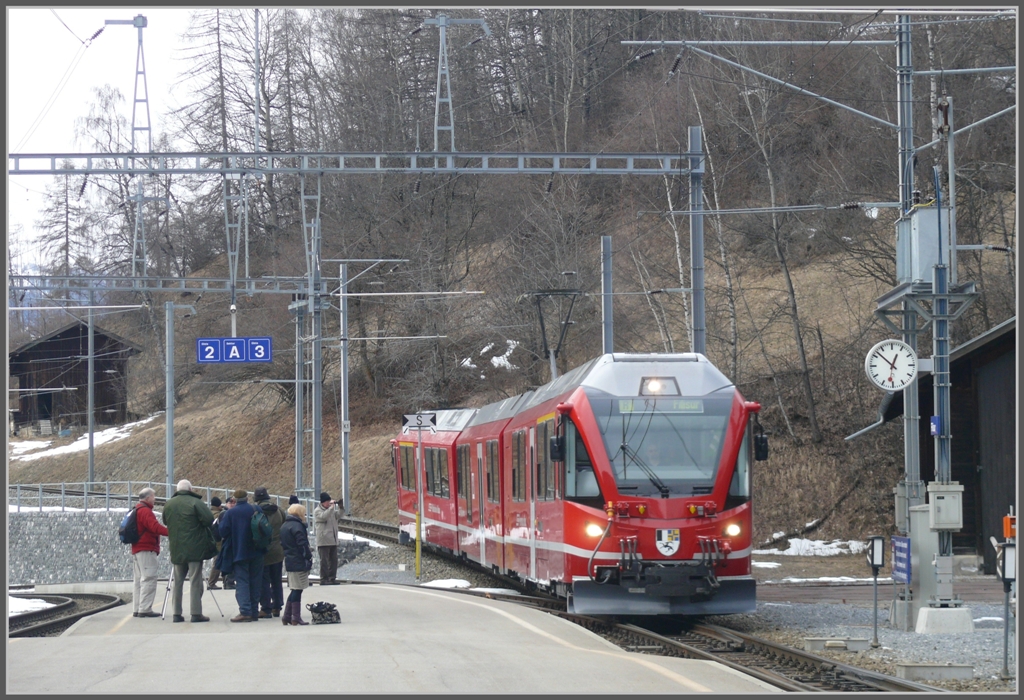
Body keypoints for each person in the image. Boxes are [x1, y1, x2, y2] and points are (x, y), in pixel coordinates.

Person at [162, 479, 216, 623]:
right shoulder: (196, 502)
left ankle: (176, 613)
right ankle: (196, 613)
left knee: (177, 582)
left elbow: (165, 521)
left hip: (177, 547)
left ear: (177, 490)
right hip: (194, 548)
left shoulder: (169, 504)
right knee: (195, 580)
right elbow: (209, 519)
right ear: (190, 489)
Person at [218, 489, 264, 622]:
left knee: (242, 581)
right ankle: (254, 611)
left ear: (234, 500)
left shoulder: (231, 513)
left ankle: (245, 611)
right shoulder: (256, 509)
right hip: (258, 551)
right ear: (247, 498)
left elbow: (223, 531)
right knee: (256, 581)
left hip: (240, 552)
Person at [131, 487, 168, 618]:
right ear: (147, 498)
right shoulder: (145, 511)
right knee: (149, 578)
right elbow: (154, 527)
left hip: (137, 549)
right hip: (146, 549)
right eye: (153, 496)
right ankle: (145, 609)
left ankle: (137, 608)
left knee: (138, 580)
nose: (155, 499)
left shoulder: (136, 509)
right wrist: (171, 532)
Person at [279, 503, 313, 626]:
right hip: (298, 561)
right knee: (298, 589)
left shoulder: (285, 525)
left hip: (289, 559)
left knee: (294, 589)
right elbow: (302, 545)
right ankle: (295, 617)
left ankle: (287, 616)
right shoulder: (298, 526)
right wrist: (308, 556)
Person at [254, 487, 286, 618]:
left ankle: (266, 608)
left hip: (263, 550)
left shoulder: (256, 511)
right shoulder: (279, 510)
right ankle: (277, 607)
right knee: (276, 580)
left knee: (264, 581)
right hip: (278, 550)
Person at [314, 492, 341, 585]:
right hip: (323, 540)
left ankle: (332, 578)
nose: (329, 503)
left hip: (333, 539)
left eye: (330, 501)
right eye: (327, 501)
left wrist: (341, 507)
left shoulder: (331, 510)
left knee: (333, 560)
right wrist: (331, 508)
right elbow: (324, 517)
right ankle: (324, 579)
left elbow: (339, 515)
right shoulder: (317, 511)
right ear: (322, 502)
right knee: (324, 561)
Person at [206, 497, 225, 589]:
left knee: (218, 561)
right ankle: (211, 582)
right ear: (218, 505)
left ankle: (213, 582)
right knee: (218, 561)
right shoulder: (218, 515)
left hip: (210, 540)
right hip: (218, 541)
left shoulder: (208, 513)